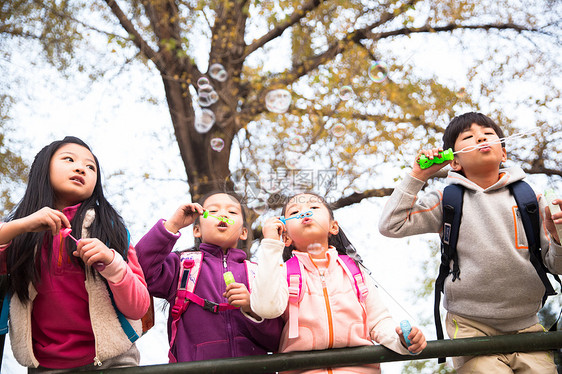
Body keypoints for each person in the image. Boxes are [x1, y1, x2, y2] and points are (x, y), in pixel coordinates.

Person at [379, 112, 562, 373]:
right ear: (453, 162)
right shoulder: (446, 199)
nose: (480, 137)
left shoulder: (531, 198)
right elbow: (390, 225)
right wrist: (418, 175)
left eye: (488, 134)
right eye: (468, 136)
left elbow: (556, 266)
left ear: (503, 154)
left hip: (527, 325)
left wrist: (559, 239)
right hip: (469, 327)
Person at [0, 136, 150, 372]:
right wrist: (20, 226)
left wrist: (112, 263)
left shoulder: (110, 229)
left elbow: (139, 308)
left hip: (113, 363)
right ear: (42, 168)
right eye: (69, 159)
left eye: (91, 167)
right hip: (44, 367)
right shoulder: (18, 233)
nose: (81, 167)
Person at [250, 192, 426, 374]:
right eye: (294, 212)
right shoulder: (281, 272)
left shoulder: (354, 271)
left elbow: (378, 322)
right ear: (285, 237)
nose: (304, 213)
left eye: (314, 207)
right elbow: (265, 308)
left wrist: (402, 341)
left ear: (333, 227)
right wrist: (270, 243)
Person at [135, 191, 283, 363]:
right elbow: (139, 270)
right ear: (197, 230)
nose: (223, 214)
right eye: (213, 211)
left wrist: (252, 307)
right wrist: (173, 225)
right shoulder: (182, 266)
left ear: (243, 232)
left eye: (232, 212)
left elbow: (277, 340)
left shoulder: (259, 273)